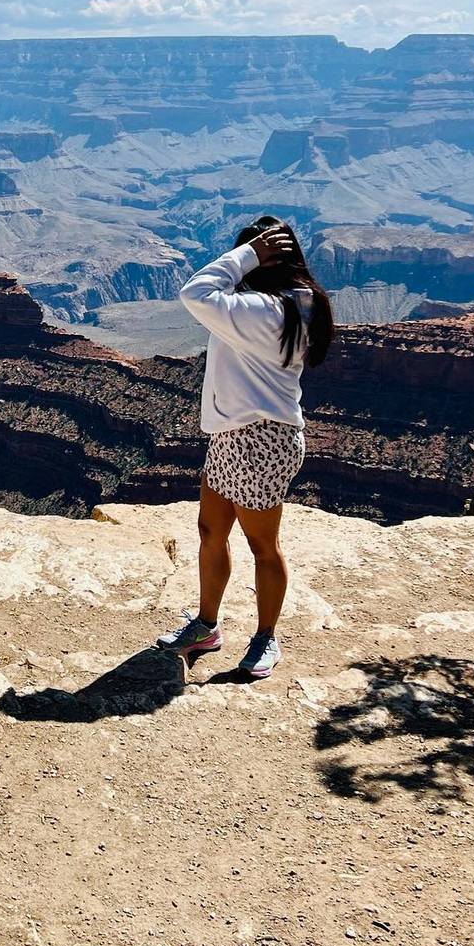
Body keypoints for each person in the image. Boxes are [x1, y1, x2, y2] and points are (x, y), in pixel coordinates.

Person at [155, 216, 334, 678]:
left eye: (253, 256)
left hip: (261, 439)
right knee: (211, 531)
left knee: (262, 544)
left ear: (263, 261)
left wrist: (248, 252)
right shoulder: (295, 303)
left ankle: (265, 638)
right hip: (234, 435)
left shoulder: (267, 311)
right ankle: (207, 626)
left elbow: (196, 292)